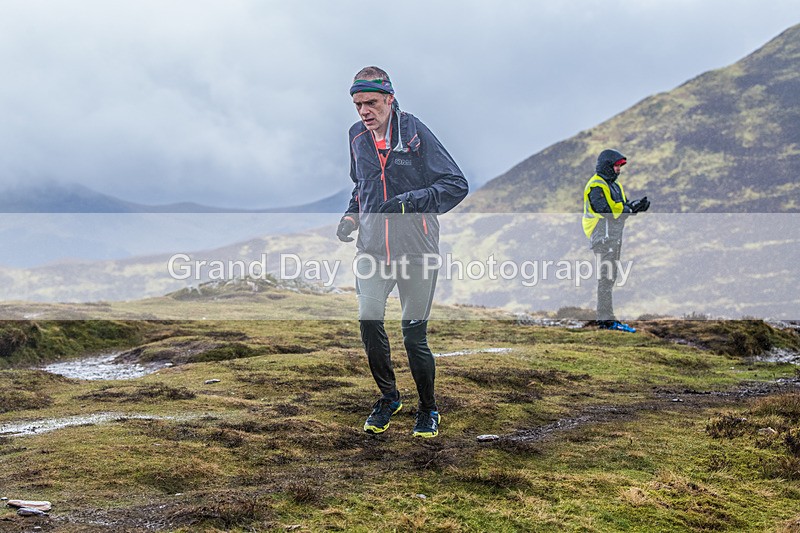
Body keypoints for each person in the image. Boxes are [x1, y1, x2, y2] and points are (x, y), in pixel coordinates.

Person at [337, 66, 468, 438]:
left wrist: (411, 202)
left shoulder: (414, 133)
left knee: (413, 335)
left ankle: (428, 409)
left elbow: (456, 184)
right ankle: (389, 396)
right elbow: (361, 186)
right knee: (368, 318)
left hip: (416, 250)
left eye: (372, 103)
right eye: (358, 104)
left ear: (390, 100)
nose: (364, 111)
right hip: (373, 250)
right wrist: (351, 217)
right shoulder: (356, 137)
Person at [582, 149, 649, 332]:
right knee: (606, 277)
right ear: (607, 166)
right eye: (616, 166)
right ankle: (606, 321)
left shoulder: (615, 185)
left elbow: (622, 206)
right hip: (602, 236)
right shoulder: (596, 185)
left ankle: (608, 319)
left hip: (614, 236)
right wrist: (627, 209)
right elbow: (605, 210)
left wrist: (636, 207)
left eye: (620, 166)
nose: (619, 169)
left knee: (610, 277)